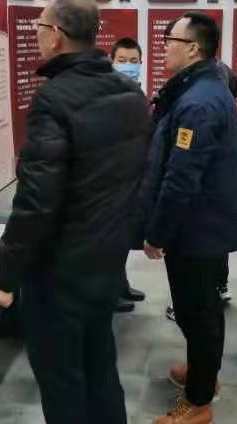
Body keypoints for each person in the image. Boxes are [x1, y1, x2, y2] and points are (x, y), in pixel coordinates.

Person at [0, 0, 152, 424]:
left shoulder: (53, 99)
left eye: (40, 27)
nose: (37, 35)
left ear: (56, 35)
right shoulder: (130, 93)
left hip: (60, 273)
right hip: (106, 259)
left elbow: (37, 201)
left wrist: (5, 276)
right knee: (100, 366)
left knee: (62, 381)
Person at [141, 12, 237, 424]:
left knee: (198, 313)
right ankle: (203, 370)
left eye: (170, 38)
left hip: (197, 228)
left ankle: (199, 401)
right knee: (196, 309)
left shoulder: (199, 101)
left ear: (193, 48)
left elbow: (181, 177)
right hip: (202, 224)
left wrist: (157, 233)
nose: (164, 45)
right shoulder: (202, 88)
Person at [165, 59, 237, 322]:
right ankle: (216, 290)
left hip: (197, 209)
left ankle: (198, 306)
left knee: (196, 281)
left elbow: (183, 171)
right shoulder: (218, 93)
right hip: (215, 207)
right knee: (211, 263)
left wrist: (158, 232)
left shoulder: (198, 103)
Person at [109, 37, 147, 313]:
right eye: (122, 60)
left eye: (133, 61)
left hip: (131, 176)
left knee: (123, 237)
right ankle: (109, 293)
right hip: (111, 178)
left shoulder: (138, 92)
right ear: (111, 62)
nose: (128, 66)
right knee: (110, 239)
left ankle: (121, 284)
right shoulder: (106, 94)